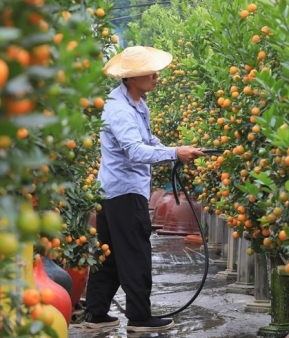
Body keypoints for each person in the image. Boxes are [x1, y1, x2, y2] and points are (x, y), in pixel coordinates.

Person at [83, 46, 205, 332]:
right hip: (125, 193)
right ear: (130, 77)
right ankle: (139, 317)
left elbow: (147, 140)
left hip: (115, 191)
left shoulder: (137, 103)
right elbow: (135, 150)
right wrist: (175, 153)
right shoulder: (120, 109)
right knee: (136, 252)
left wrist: (178, 150)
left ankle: (96, 314)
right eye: (148, 72)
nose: (155, 76)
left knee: (110, 254)